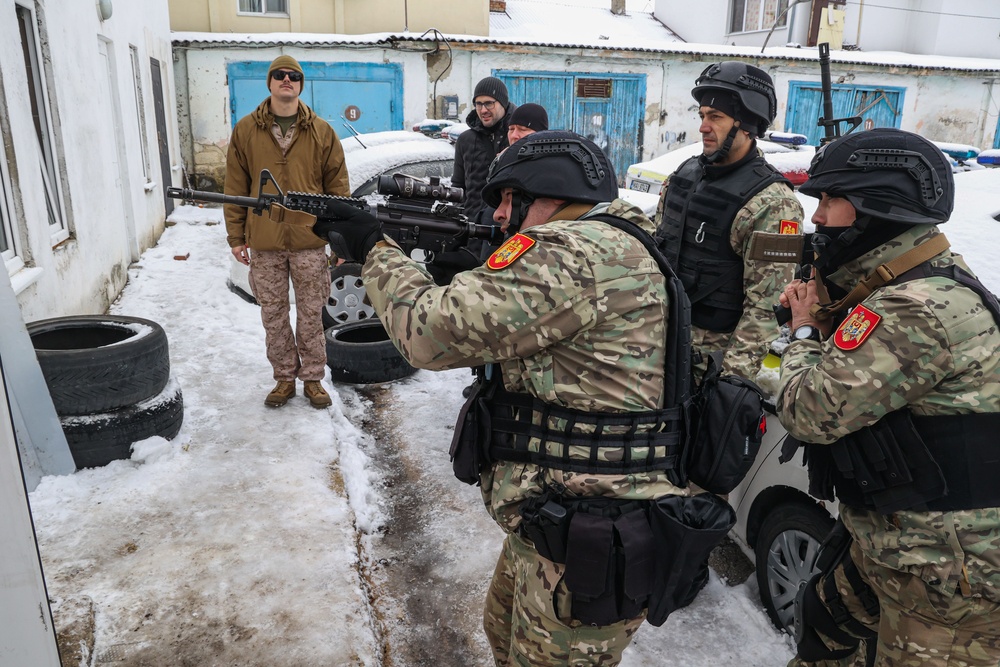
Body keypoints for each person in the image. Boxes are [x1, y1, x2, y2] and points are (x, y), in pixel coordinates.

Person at [313, 131, 730, 666]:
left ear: (553, 191)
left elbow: (429, 334)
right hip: (555, 516)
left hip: (593, 533)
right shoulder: (613, 239)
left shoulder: (572, 250)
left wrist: (374, 250)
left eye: (512, 198)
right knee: (502, 634)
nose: (504, 216)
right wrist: (465, 275)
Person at [776, 128, 1000, 667]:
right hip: (895, 546)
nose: (817, 217)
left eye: (831, 200)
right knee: (822, 632)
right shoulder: (903, 287)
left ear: (879, 209)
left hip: (947, 573)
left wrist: (804, 330)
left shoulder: (915, 307)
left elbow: (809, 411)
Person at [654, 61, 804, 385]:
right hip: (657, 350)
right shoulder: (684, 175)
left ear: (747, 124)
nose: (703, 127)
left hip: (708, 368)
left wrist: (724, 390)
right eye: (702, 115)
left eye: (716, 117)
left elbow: (763, 313)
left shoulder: (773, 204)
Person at [225, 55, 349, 408]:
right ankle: (283, 378)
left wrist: (338, 236)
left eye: (293, 76)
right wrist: (237, 237)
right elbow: (235, 187)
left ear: (300, 84)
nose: (286, 80)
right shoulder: (247, 130)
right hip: (264, 242)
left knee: (311, 313)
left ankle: (312, 379)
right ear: (269, 82)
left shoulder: (321, 131)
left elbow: (337, 189)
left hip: (310, 241)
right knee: (273, 314)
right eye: (279, 75)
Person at [429, 77, 518, 284]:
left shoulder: (515, 137)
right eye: (478, 104)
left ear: (503, 103)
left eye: (489, 103)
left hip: (506, 232)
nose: (483, 109)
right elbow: (458, 186)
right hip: (471, 233)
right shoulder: (465, 140)